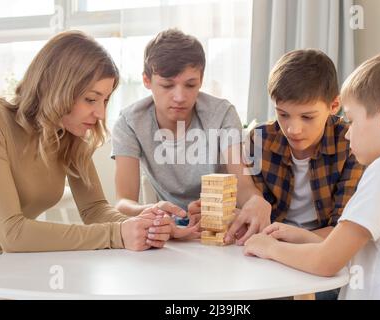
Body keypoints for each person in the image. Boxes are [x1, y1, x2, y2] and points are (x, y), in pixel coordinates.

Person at [244, 50, 380, 300]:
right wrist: (300, 236)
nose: (346, 133)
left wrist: (269, 248)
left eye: (352, 121)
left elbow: (326, 262)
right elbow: (351, 249)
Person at [0, 30, 178, 261]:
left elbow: (94, 208)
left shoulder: (69, 135)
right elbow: (12, 233)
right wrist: (117, 234)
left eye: (105, 100)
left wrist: (145, 226)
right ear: (57, 88)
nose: (101, 113)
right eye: (90, 99)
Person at [112, 29, 271, 244]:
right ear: (147, 80)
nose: (180, 97)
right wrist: (153, 212)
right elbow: (123, 202)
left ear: (201, 80)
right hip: (171, 232)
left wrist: (255, 201)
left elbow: (242, 185)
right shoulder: (130, 122)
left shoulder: (222, 114)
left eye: (190, 85)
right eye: (167, 85)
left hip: (221, 229)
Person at [246, 49, 364, 238]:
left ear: (334, 106)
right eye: (283, 114)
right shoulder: (260, 139)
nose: (293, 129)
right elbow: (256, 214)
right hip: (270, 243)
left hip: (321, 247)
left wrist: (285, 241)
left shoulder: (350, 142)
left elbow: (342, 230)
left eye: (307, 117)